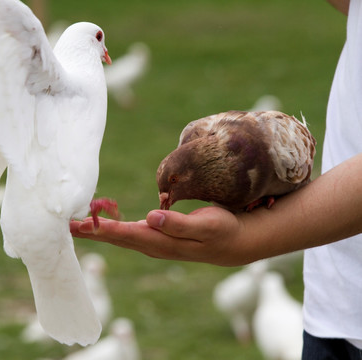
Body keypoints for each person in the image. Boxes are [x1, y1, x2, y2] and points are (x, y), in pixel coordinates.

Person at [70, 0, 362, 358]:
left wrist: (254, 236)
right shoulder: (192, 135)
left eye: (173, 183)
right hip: (330, 301)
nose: (165, 197)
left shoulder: (276, 147)